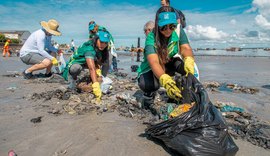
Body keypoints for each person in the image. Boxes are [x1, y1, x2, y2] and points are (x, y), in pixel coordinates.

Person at [137, 6, 195, 108]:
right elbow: (154, 62)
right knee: (149, 84)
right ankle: (148, 95)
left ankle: (178, 95)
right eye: (164, 27)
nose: (168, 30)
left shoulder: (178, 30)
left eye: (171, 26)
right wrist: (164, 79)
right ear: (157, 25)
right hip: (152, 68)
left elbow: (185, 47)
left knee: (185, 69)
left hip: (169, 62)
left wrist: (189, 59)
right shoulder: (151, 37)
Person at [63, 31, 111, 101]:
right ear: (96, 39)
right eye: (101, 42)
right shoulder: (89, 48)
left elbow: (98, 61)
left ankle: (101, 78)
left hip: (86, 62)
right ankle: (73, 80)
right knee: (75, 68)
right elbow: (92, 68)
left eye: (105, 43)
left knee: (106, 59)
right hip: (77, 62)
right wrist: (95, 86)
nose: (103, 45)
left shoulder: (100, 48)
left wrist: (100, 74)